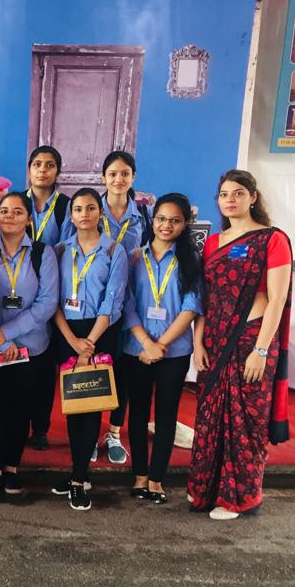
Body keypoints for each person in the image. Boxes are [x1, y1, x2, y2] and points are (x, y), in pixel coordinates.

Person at [188, 170, 292, 520]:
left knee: (245, 421)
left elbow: (277, 299)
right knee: (209, 419)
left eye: (238, 193)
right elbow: (204, 298)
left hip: (251, 339)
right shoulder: (213, 243)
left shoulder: (272, 239)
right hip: (214, 342)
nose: (230, 200)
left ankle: (239, 498)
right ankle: (205, 491)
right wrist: (198, 341)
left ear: (253, 197)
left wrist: (261, 349)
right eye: (223, 194)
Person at [122, 193, 202, 505]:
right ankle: (139, 475)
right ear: (152, 220)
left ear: (185, 224)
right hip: (137, 349)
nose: (166, 225)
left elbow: (191, 307)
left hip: (174, 352)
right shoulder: (133, 257)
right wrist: (146, 343)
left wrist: (161, 344)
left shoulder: (190, 261)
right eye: (161, 218)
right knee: (138, 413)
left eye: (175, 220)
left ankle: (156, 478)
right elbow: (126, 303)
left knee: (166, 414)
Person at [50, 188, 128, 511]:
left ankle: (80, 479)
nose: (85, 214)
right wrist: (72, 341)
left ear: (100, 212)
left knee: (91, 407)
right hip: (67, 333)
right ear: (71, 216)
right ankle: (76, 472)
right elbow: (52, 299)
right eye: (78, 209)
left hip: (100, 333)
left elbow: (113, 302)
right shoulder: (59, 250)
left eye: (91, 208)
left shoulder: (114, 250)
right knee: (73, 407)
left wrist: (88, 346)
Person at [0, 192, 59, 497]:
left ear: (28, 219)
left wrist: (9, 333)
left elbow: (47, 302)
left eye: (17, 212)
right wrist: (0, 339)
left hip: (32, 347)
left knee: (21, 409)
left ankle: (12, 467)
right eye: (4, 211)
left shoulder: (42, 253)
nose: (9, 217)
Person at [93, 150, 155, 465]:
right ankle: (90, 433)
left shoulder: (145, 214)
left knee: (124, 373)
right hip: (95, 301)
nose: (118, 179)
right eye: (113, 174)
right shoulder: (90, 209)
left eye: (125, 174)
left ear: (133, 177)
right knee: (94, 367)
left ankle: (114, 432)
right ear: (103, 177)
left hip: (133, 303)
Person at [24, 145, 72, 451]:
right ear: (29, 169)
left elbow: (70, 246)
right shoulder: (17, 202)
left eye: (50, 165)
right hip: (18, 287)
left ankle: (40, 427)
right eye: (37, 164)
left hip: (55, 289)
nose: (43, 170)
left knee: (45, 365)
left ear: (57, 171)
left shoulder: (67, 206)